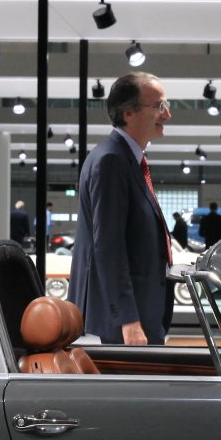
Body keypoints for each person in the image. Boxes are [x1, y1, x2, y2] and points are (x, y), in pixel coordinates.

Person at [70, 72, 175, 346]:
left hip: (138, 311)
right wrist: (128, 319)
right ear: (129, 113)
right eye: (160, 106)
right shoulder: (111, 161)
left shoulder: (125, 159)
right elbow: (108, 245)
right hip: (124, 322)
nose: (167, 114)